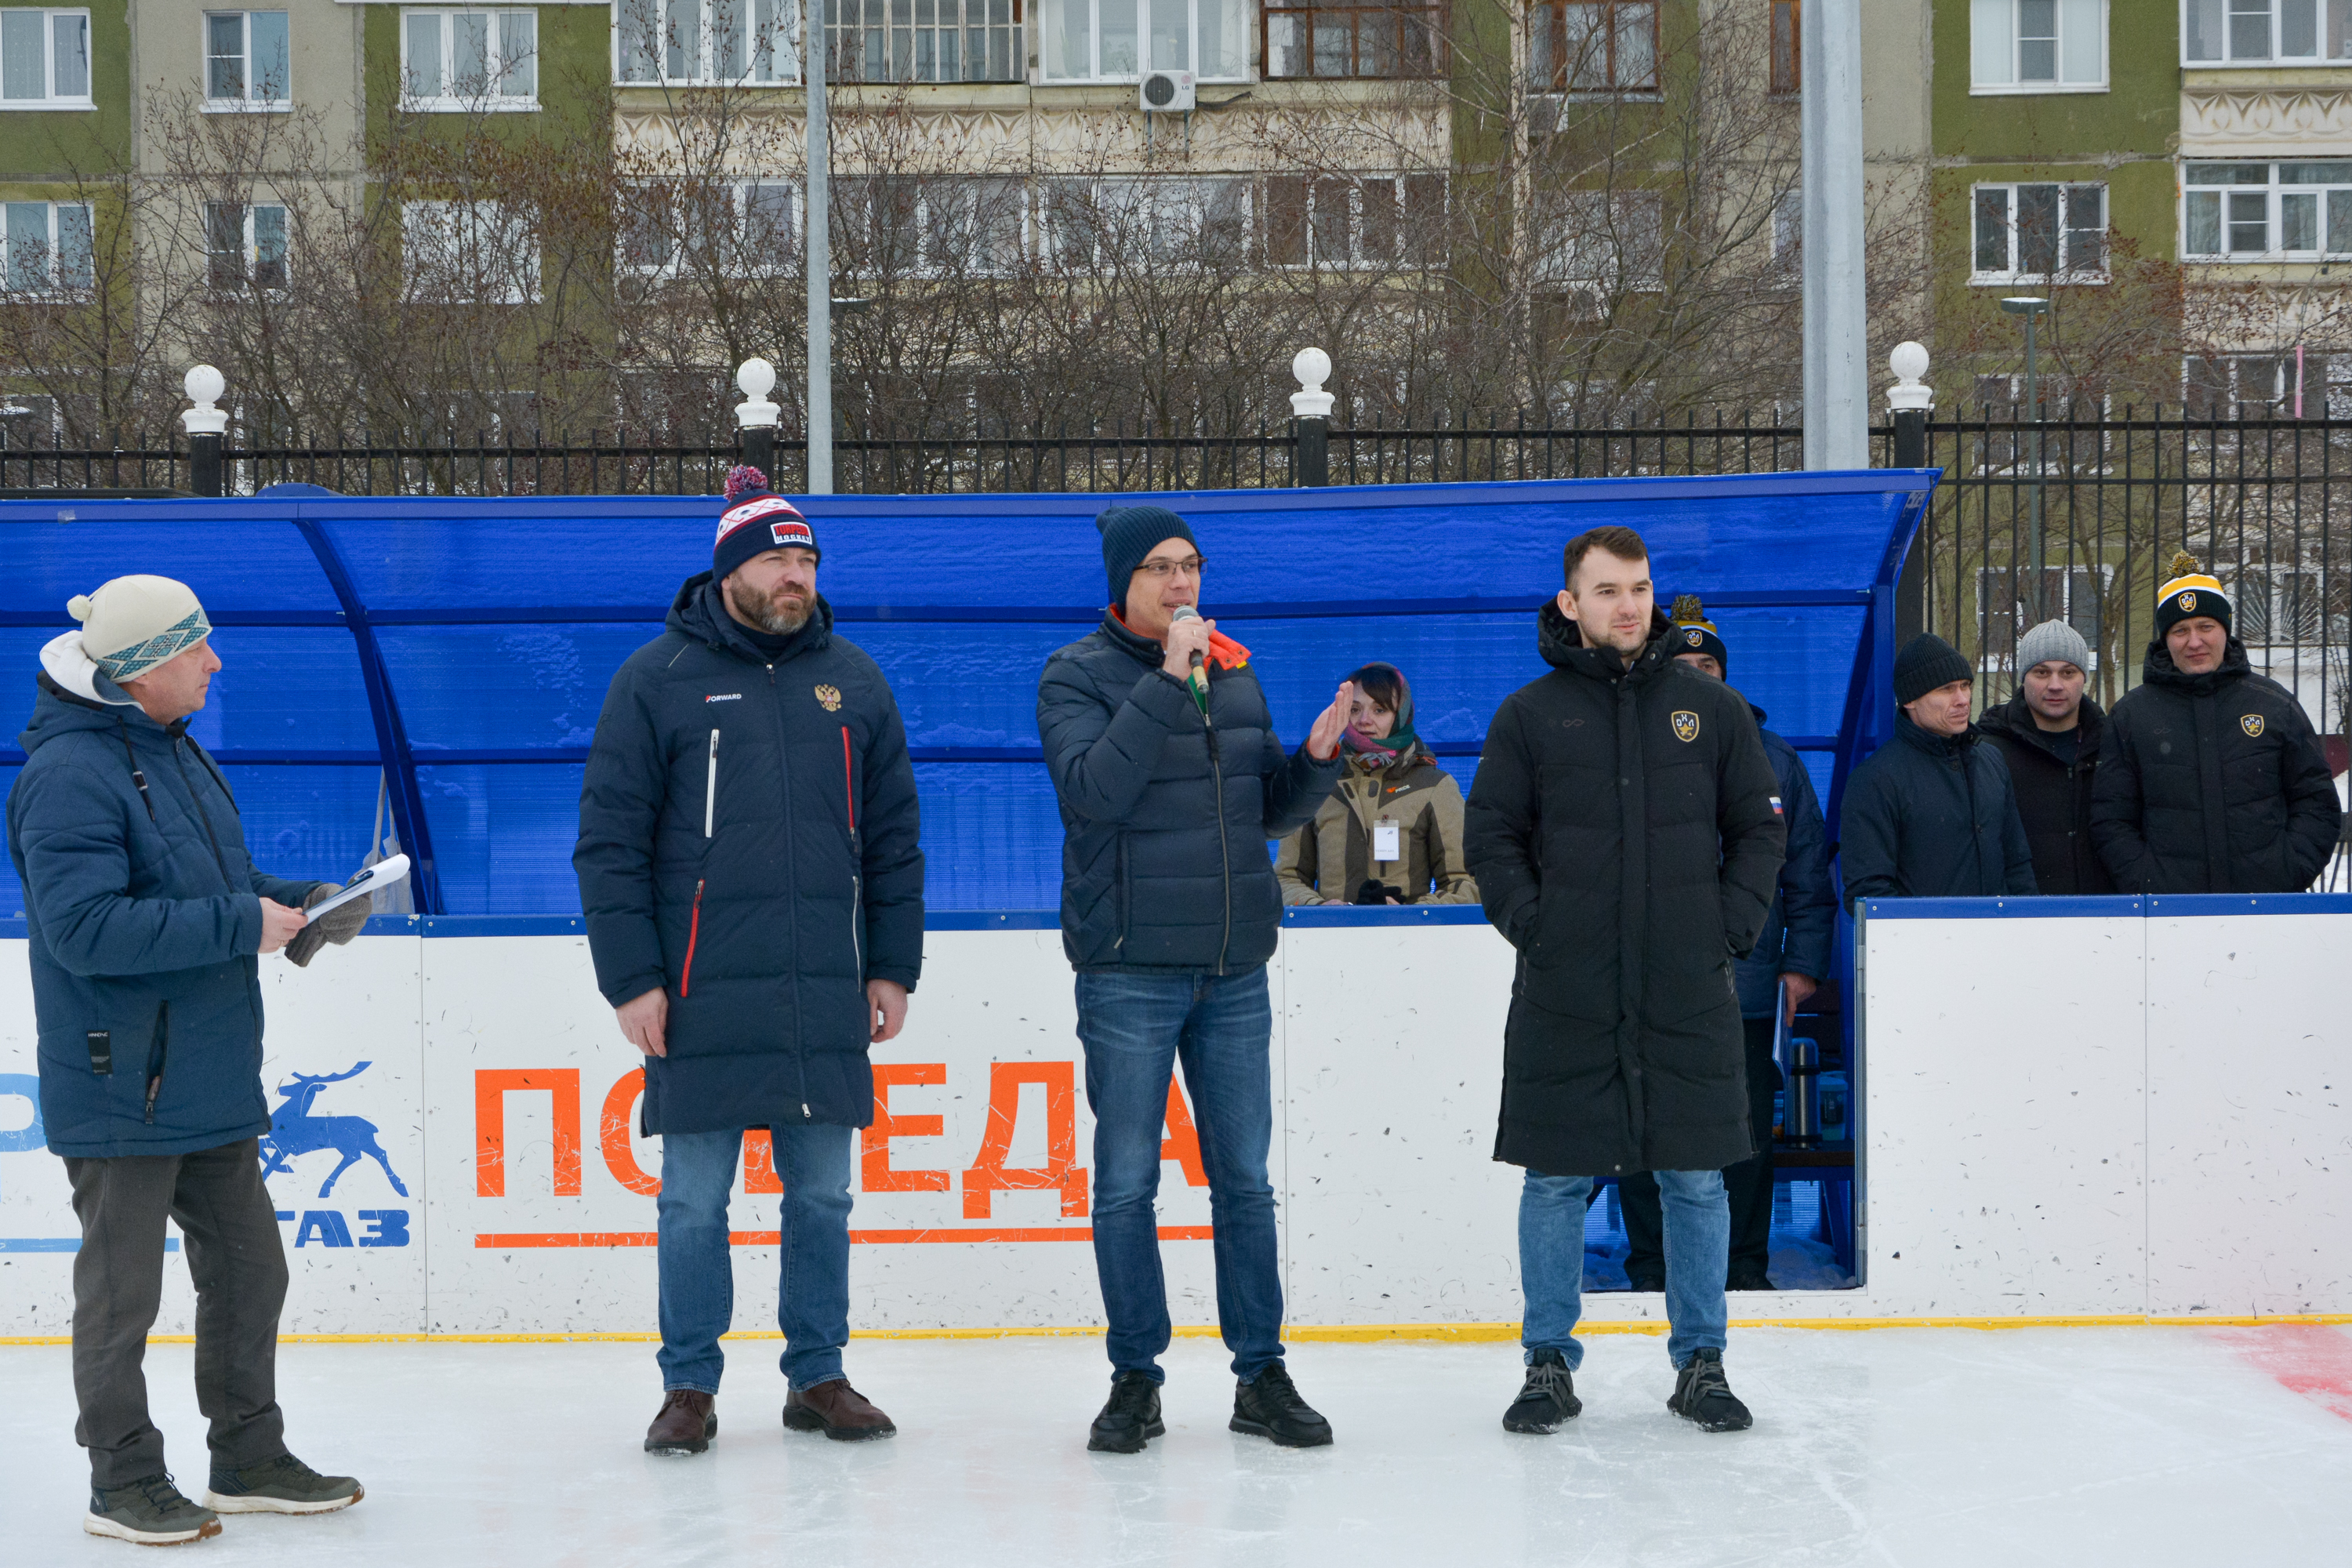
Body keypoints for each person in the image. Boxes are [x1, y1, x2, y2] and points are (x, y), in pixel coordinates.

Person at [6, 576, 367, 1546]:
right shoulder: (69, 772)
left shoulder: (171, 750)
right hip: (121, 1077)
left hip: (205, 1070)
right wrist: (239, 921)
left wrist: (304, 904)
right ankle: (121, 1478)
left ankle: (248, 1452)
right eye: (195, 647)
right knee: (123, 1297)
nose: (214, 661)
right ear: (139, 667)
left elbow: (219, 880)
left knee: (252, 1270)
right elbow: (84, 929)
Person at [575, 467, 925, 1457]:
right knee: (692, 1198)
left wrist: (891, 963)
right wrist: (632, 978)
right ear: (729, 568)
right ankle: (689, 1383)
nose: (796, 575)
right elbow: (609, 843)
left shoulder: (853, 681)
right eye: (777, 557)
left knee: (821, 1194)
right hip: (696, 992)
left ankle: (818, 1373)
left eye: (807, 559)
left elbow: (894, 839)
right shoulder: (657, 679)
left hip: (822, 988)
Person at [1036, 503, 1352, 1454]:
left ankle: (1261, 1373)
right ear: (1122, 582)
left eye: (1193, 567)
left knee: (1245, 1182)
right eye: (1162, 569)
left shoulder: (1236, 672)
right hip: (1130, 967)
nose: (1183, 585)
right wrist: (1170, 681)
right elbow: (1094, 793)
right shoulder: (1074, 676)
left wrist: (1318, 762)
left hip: (1233, 968)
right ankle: (1135, 1377)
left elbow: (1261, 809)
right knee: (1127, 1183)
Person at [1462, 527, 1787, 1439]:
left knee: (1695, 1177)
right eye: (1607, 590)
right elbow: (1490, 836)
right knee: (1558, 1179)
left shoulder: (1709, 710)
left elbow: (1761, 828)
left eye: (1639, 587)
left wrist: (1724, 928)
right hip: (1569, 985)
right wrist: (1541, 927)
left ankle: (1701, 1359)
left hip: (1686, 983)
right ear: (1570, 603)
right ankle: (1547, 1361)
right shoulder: (1530, 715)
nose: (1629, 605)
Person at [1618, 597, 1835, 1294]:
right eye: (1681, 665)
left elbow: (1807, 875)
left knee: (1740, 1136)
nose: (1696, 677)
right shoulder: (1627, 745)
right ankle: (1653, 1269)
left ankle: (1742, 1267)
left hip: (1748, 984)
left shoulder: (1776, 759)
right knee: (1645, 1129)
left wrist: (1801, 967)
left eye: (1707, 665)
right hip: (1648, 979)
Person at [2091, 554, 2341, 893]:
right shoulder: (2132, 715)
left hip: (2266, 911)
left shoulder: (2274, 705)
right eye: (2180, 630)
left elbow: (2316, 802)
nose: (2194, 642)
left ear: (2225, 630)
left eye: (2205, 627)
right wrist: (2146, 879)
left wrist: (2288, 870)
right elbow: (2111, 818)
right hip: (2170, 913)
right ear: (2166, 639)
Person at [1838, 633, 2037, 902]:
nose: (1962, 699)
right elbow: (1869, 891)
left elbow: (2017, 863)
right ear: (1910, 699)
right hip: (1922, 941)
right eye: (1946, 689)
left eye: (1965, 685)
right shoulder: (1876, 778)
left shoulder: (1991, 760)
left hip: (1998, 938)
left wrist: (2025, 924)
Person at [1273, 662, 1477, 907]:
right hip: (1329, 940)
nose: (1364, 721)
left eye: (1380, 710)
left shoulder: (1435, 786)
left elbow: (1465, 883)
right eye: (1355, 709)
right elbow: (1286, 878)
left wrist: (1414, 914)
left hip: (1410, 942)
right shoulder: (1316, 782)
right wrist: (1317, 908)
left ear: (1401, 715)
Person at [1978, 619, 2115, 895]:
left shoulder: (2112, 746)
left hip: (2105, 916)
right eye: (2042, 672)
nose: (2055, 685)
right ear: (2023, 678)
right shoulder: (1989, 752)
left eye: (2068, 673)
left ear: (2084, 679)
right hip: (2020, 916)